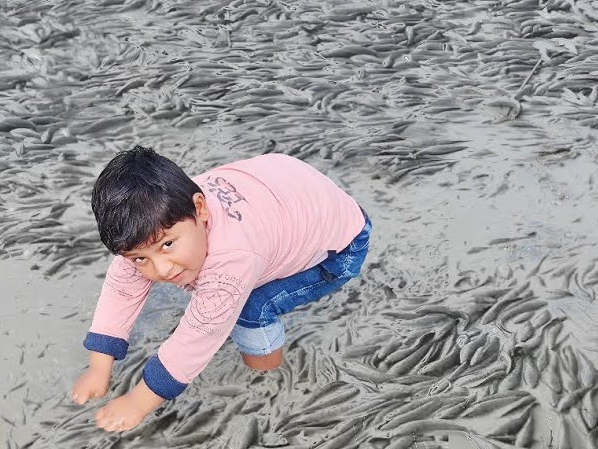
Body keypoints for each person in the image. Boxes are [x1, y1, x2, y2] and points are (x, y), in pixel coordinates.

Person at [70, 147, 372, 432]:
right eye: (139, 258)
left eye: (168, 245)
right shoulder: (160, 217)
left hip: (342, 242)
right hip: (287, 189)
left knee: (252, 308)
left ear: (200, 208)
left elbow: (196, 338)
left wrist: (137, 403)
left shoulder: (232, 259)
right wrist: (99, 365)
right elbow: (122, 286)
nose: (161, 270)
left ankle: (265, 376)